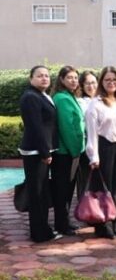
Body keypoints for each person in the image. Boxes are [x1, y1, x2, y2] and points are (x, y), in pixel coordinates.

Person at [85, 67, 116, 239]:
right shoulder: (96, 103)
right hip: (104, 147)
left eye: (114, 79)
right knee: (105, 188)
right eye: (107, 80)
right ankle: (104, 226)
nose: (111, 83)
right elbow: (91, 132)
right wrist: (93, 155)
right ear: (102, 82)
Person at [19, 65, 61, 243]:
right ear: (31, 79)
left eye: (46, 76)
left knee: (42, 192)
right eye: (39, 76)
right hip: (36, 152)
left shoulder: (42, 95)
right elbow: (35, 126)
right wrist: (44, 152)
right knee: (37, 194)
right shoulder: (30, 97)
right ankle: (39, 233)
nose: (44, 78)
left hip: (42, 150)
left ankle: (43, 229)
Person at [50, 66, 85, 236]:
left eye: (75, 77)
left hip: (70, 151)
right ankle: (61, 224)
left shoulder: (69, 96)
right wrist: (76, 150)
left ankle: (64, 221)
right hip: (66, 153)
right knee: (63, 190)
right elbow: (67, 127)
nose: (73, 80)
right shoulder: (62, 98)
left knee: (67, 189)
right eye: (69, 77)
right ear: (61, 79)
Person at [76, 70, 99, 198]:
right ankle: (85, 205)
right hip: (87, 145)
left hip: (104, 144)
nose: (91, 86)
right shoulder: (79, 102)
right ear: (82, 86)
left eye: (94, 82)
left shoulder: (104, 99)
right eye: (87, 83)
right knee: (86, 179)